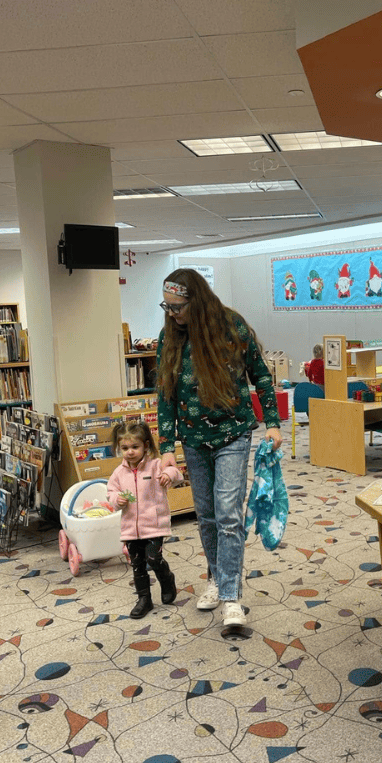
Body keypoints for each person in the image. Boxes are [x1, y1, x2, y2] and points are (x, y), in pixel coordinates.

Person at [156, 269, 283, 627]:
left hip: (233, 433)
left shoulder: (232, 328)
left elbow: (260, 374)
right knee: (207, 515)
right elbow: (165, 394)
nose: (172, 313)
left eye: (178, 306)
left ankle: (231, 596)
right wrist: (167, 445)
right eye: (167, 306)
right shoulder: (170, 338)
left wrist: (273, 422)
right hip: (194, 439)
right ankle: (216, 577)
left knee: (228, 513)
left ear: (197, 301)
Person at [106, 420, 183, 619]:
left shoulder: (156, 465)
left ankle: (167, 578)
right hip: (130, 528)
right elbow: (111, 493)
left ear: (146, 446)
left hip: (154, 526)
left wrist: (168, 474)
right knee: (137, 564)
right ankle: (144, 599)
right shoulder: (118, 473)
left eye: (134, 447)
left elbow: (177, 473)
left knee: (153, 559)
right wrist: (117, 499)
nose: (130, 452)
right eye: (124, 448)